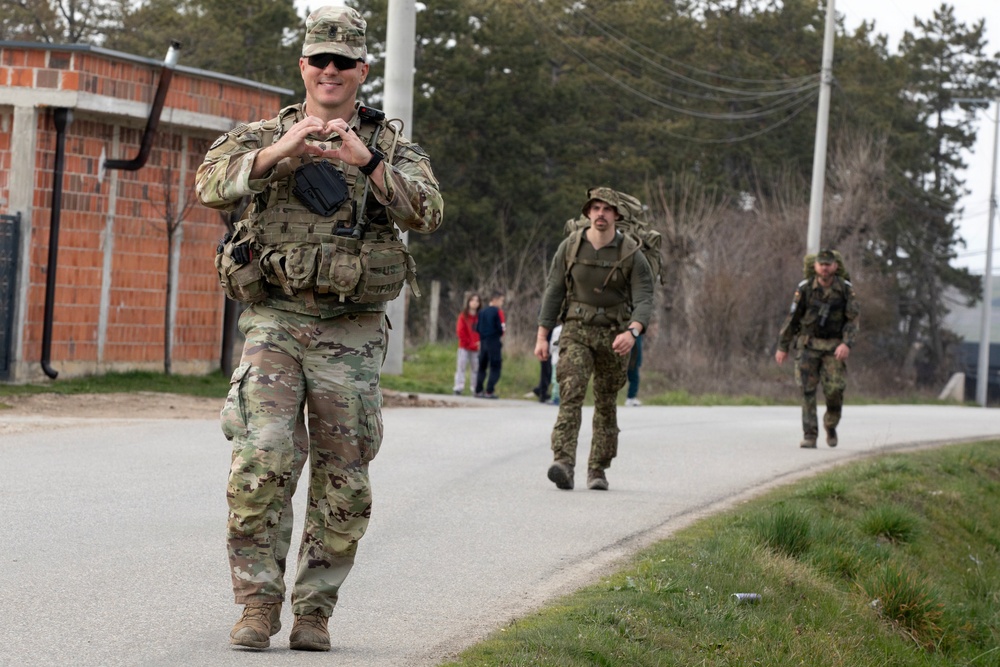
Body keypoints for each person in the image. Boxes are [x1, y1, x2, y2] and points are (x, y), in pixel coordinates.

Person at [195, 5, 443, 652]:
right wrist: (281, 152)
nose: (330, 71)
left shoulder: (388, 144)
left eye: (343, 62)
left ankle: (314, 609)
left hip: (350, 330)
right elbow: (210, 187)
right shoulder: (260, 134)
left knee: (345, 476)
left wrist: (366, 164)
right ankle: (256, 604)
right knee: (264, 455)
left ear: (362, 70)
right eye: (319, 59)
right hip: (275, 318)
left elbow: (429, 211)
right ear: (303, 66)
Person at [535, 188, 655, 491]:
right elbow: (553, 292)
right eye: (596, 208)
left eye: (607, 209)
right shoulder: (570, 246)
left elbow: (644, 298)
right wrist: (542, 336)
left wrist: (633, 331)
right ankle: (563, 461)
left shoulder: (631, 252)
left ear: (616, 215)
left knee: (605, 401)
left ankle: (598, 468)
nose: (601, 213)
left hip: (615, 335)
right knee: (571, 391)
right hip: (576, 330)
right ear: (588, 213)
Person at [775, 249, 860, 449]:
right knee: (807, 390)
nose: (824, 268)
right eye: (821, 264)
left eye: (828, 264)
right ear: (815, 266)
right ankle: (810, 434)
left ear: (835, 266)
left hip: (834, 347)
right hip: (808, 346)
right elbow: (793, 319)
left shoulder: (845, 290)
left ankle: (830, 425)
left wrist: (846, 343)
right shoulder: (805, 289)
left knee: (834, 390)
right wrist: (783, 346)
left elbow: (852, 320)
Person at [474, 291, 505, 398]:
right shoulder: (497, 312)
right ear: (495, 300)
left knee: (482, 366)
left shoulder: (482, 312)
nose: (502, 303)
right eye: (501, 300)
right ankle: (489, 390)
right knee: (495, 366)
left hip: (483, 342)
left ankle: (478, 390)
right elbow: (501, 328)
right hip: (494, 341)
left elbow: (477, 327)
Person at [453, 293, 481, 395]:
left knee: (476, 369)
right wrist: (469, 343)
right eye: (472, 300)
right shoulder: (463, 316)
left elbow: (482, 331)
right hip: (464, 347)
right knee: (461, 367)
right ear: (468, 302)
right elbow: (460, 331)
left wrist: (479, 343)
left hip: (477, 347)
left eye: (477, 301)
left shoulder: (480, 317)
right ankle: (458, 387)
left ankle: (475, 388)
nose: (475, 303)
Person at [624, 333, 643, 406]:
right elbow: (636, 349)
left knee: (634, 378)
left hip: (633, 360)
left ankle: (631, 397)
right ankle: (631, 397)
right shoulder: (634, 333)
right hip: (632, 360)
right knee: (634, 378)